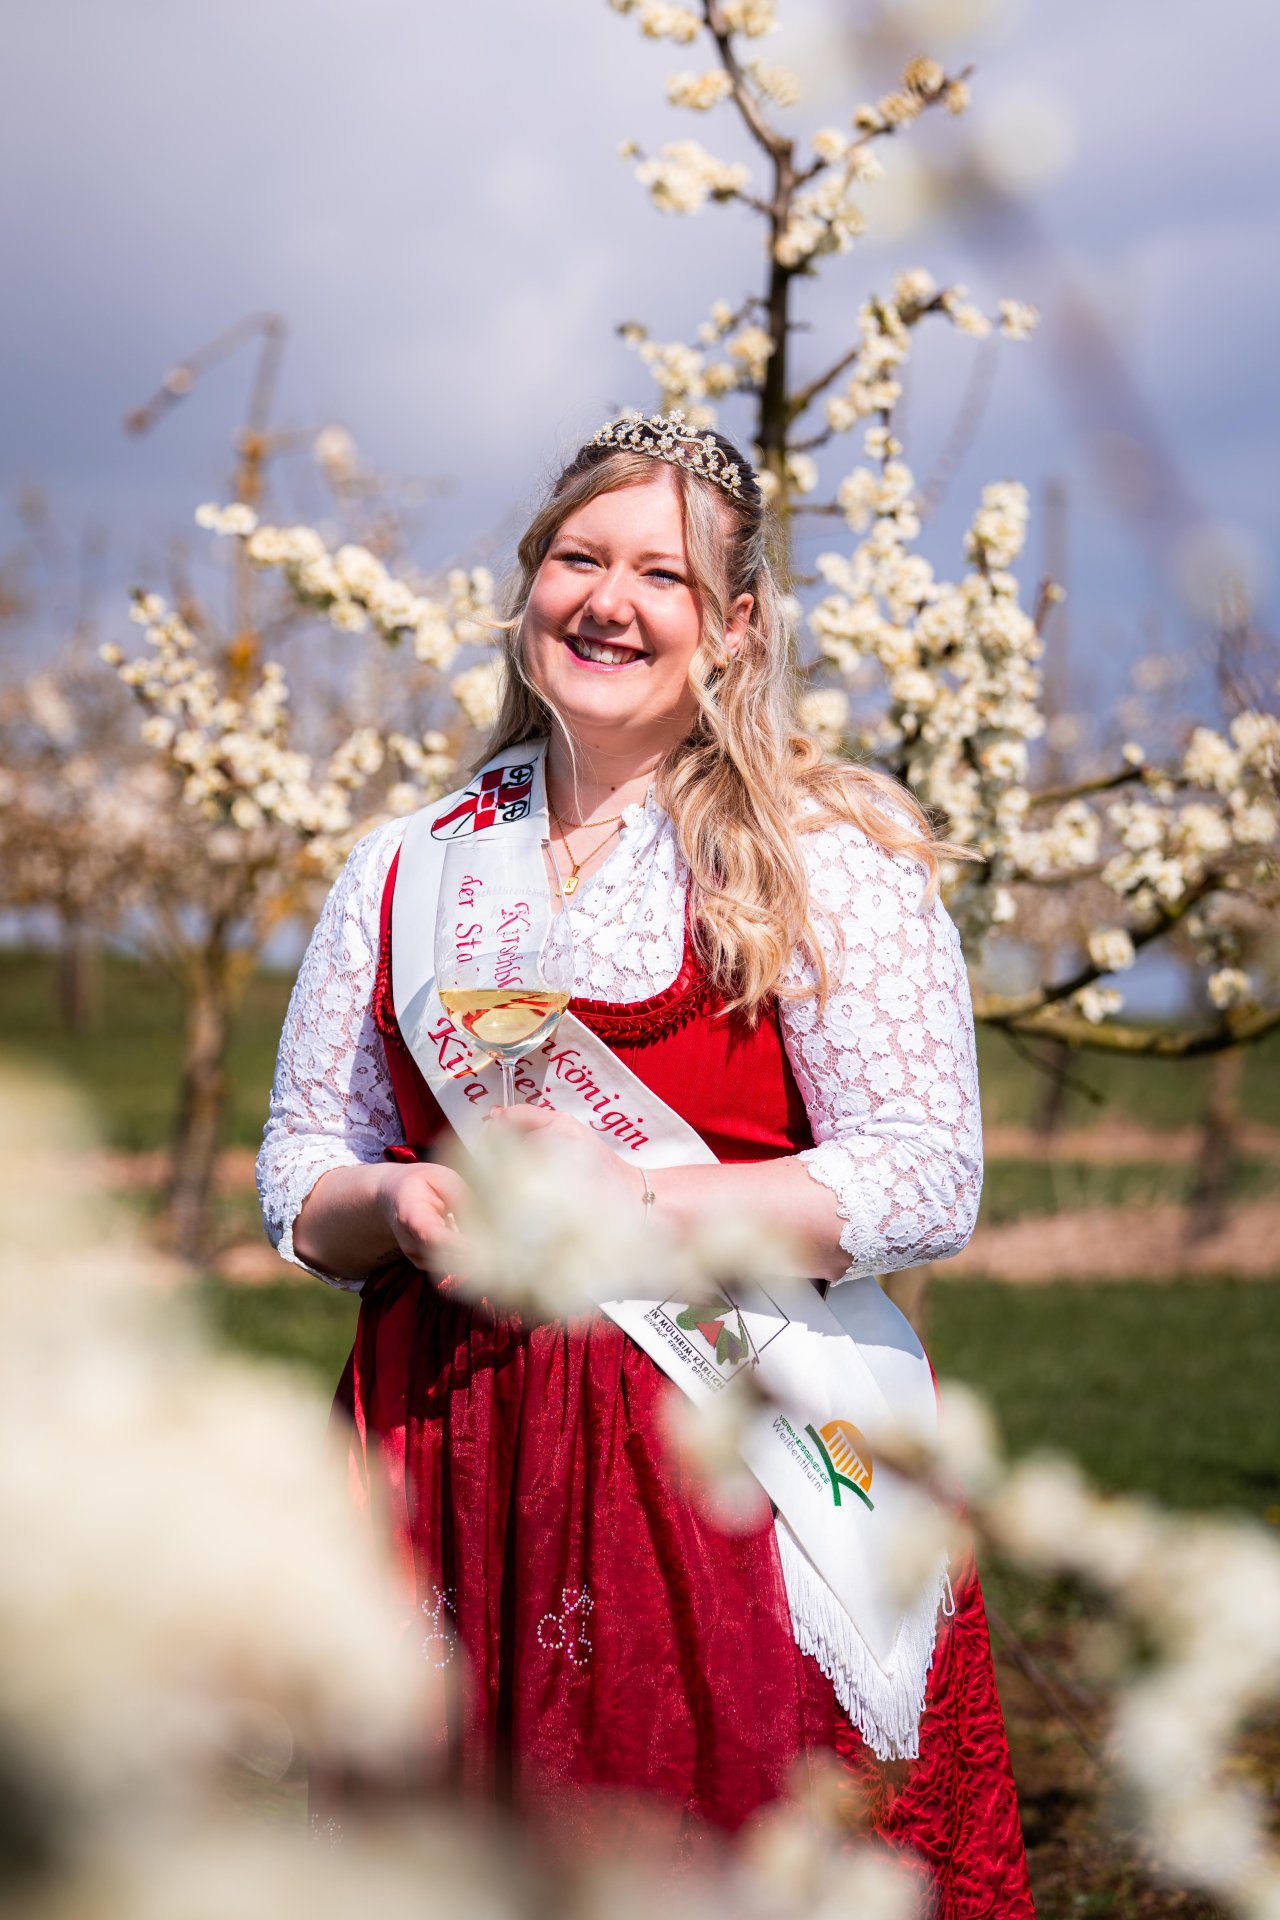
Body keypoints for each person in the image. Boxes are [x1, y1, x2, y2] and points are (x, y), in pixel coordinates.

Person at [257, 410, 1036, 1913]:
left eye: (661, 575)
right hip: (450, 1450)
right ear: (528, 588)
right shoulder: (407, 864)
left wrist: (636, 1203)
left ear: (734, 627)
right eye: (577, 559)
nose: (608, 601)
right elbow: (302, 1167)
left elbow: (926, 1175)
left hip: (714, 1464)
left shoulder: (823, 850)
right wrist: (394, 1201)